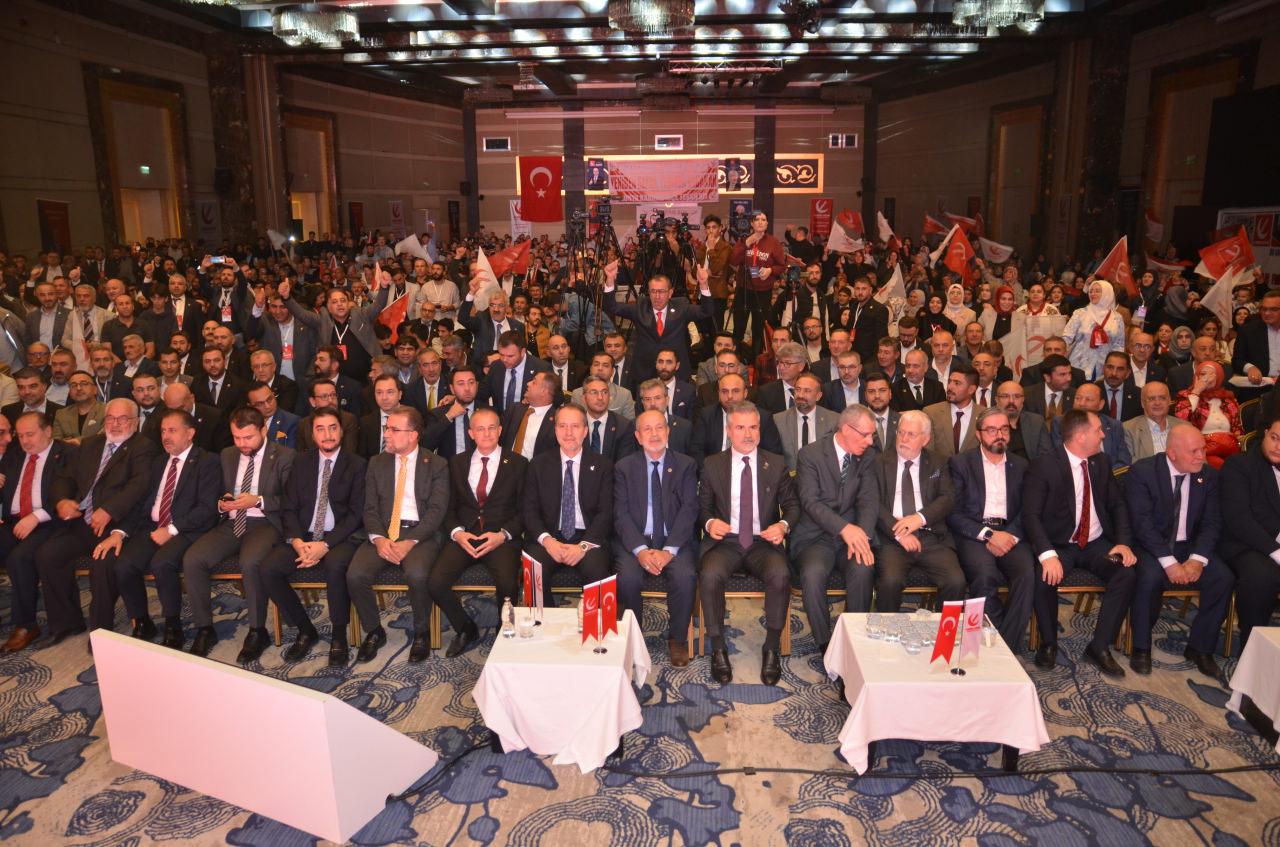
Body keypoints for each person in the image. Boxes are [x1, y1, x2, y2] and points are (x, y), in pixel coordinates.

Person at [1022, 409, 1136, 676]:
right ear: (1081, 436)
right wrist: (1047, 554)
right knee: (1044, 576)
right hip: (1059, 544)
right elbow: (1030, 516)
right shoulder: (1044, 466)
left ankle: (1099, 646)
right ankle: (1048, 643)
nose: (1103, 435)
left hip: (1096, 543)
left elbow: (1117, 505)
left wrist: (1122, 542)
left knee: (1126, 573)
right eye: (1098, 430)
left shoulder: (1101, 462)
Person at [96, 408, 222, 649]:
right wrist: (119, 532)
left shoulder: (208, 462)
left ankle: (173, 626)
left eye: (172, 431)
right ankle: (143, 622)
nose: (166, 436)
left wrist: (171, 529)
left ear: (190, 433)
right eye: (163, 431)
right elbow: (140, 504)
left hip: (187, 530)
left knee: (162, 563)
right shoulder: (158, 462)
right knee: (123, 565)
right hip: (152, 527)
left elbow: (206, 510)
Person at [36, 398, 155, 644]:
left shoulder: (143, 447)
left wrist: (109, 510)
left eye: (122, 419)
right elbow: (64, 478)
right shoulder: (90, 444)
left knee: (101, 564)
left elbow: (139, 486)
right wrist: (62, 501)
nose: (115, 424)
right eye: (110, 418)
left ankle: (101, 633)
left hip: (117, 524)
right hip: (83, 521)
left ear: (135, 422)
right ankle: (66, 621)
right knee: (48, 554)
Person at [182, 406, 295, 663]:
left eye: (248, 437)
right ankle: (204, 628)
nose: (242, 444)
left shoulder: (284, 456)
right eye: (237, 437)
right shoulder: (227, 454)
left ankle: (257, 630)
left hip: (264, 523)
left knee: (250, 562)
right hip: (231, 522)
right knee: (193, 559)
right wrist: (222, 501)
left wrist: (259, 500)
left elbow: (291, 499)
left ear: (263, 431)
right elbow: (218, 489)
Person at [698, 401, 798, 686]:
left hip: (761, 542)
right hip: (726, 542)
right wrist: (709, 523)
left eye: (753, 427)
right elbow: (702, 509)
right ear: (729, 430)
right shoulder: (712, 464)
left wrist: (782, 525)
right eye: (740, 427)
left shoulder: (775, 463)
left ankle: (771, 647)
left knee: (780, 574)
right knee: (709, 574)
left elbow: (793, 506)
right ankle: (718, 647)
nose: (748, 434)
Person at [1125, 426, 1232, 677]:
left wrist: (1197, 559)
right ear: (1172, 454)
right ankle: (1141, 646)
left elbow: (1212, 522)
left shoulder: (1207, 475)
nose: (1201, 456)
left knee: (1223, 578)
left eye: (1203, 449)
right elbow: (1142, 525)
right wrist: (1170, 562)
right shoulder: (1143, 472)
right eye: (1194, 451)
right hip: (1151, 546)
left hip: (1189, 546)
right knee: (1149, 577)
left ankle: (1200, 648)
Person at [346, 406, 449, 664]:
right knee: (355, 575)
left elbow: (436, 512)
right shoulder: (377, 462)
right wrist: (379, 539)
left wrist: (410, 541)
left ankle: (422, 632)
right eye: (386, 428)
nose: (386, 434)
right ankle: (374, 631)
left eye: (393, 430)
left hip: (420, 533)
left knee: (417, 574)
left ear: (413, 435)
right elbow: (369, 508)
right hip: (383, 530)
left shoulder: (436, 464)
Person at [429, 407, 526, 658]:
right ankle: (465, 627)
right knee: (435, 582)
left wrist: (503, 535)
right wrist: (457, 533)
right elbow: (448, 507)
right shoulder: (456, 463)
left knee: (508, 583)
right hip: (465, 536)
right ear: (471, 433)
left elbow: (525, 510)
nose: (486, 433)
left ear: (500, 431)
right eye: (480, 429)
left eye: (492, 428)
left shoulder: (518, 463)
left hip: (500, 538)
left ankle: (503, 630)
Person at [614, 410, 699, 665]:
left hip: (674, 540)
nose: (654, 434)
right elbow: (620, 514)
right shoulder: (624, 467)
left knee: (685, 576)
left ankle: (678, 639)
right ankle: (633, 637)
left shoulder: (685, 465)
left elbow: (689, 510)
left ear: (668, 432)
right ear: (638, 436)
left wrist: (669, 550)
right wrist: (640, 550)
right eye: (647, 429)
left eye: (659, 427)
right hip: (635, 540)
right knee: (627, 578)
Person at [946, 407, 1035, 652]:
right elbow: (953, 513)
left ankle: (1007, 647)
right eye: (992, 430)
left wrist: (1011, 535)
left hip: (1011, 532)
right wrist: (989, 535)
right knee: (984, 576)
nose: (1000, 435)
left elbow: (1028, 509)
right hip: (975, 534)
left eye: (1004, 429)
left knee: (1026, 574)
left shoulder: (1022, 465)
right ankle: (993, 638)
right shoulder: (961, 463)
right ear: (978, 434)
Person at [791, 404, 878, 651]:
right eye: (865, 434)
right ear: (847, 429)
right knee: (813, 574)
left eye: (872, 435)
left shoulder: (867, 456)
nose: (870, 441)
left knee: (863, 567)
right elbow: (810, 502)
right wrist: (844, 528)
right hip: (814, 537)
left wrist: (862, 536)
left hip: (852, 536)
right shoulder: (810, 454)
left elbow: (869, 501)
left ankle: (854, 640)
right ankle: (824, 643)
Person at [872, 410, 966, 612]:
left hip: (931, 537)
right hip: (891, 539)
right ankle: (885, 631)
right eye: (900, 432)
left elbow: (947, 498)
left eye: (911, 434)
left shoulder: (939, 462)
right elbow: (873, 503)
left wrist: (919, 518)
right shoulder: (878, 462)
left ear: (926, 439)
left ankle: (944, 631)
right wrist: (899, 532)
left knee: (956, 581)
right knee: (890, 581)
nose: (903, 439)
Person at [0, 411, 77, 652]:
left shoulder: (67, 454)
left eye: (30, 434)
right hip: (13, 521)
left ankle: (26, 625)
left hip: (48, 521)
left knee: (19, 559)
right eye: (20, 435)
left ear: (48, 431)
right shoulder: (13, 454)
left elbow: (72, 492)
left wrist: (36, 516)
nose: (24, 441)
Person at [522, 404, 613, 599]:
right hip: (549, 536)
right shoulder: (538, 464)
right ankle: (542, 619)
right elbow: (529, 511)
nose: (568, 433)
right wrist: (548, 541)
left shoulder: (603, 465)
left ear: (585, 431)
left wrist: (583, 546)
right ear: (555, 430)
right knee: (534, 569)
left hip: (588, 538)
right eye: (562, 426)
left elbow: (605, 513)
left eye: (575, 426)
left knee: (597, 572)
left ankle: (594, 620)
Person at [1220, 419, 1280, 648]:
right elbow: (1240, 521)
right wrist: (1276, 552)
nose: (1278, 447)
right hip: (1244, 544)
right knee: (1261, 576)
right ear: (1265, 434)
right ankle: (1251, 651)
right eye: (1274, 438)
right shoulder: (1239, 465)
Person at [600, 271, 714, 383]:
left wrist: (703, 284)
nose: (657, 296)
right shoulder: (641, 308)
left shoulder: (681, 307)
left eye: (661, 291)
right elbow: (611, 307)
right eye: (653, 291)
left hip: (676, 373)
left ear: (670, 293)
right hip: (645, 374)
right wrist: (610, 279)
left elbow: (706, 311)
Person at [280, 279, 389, 381]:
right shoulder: (322, 320)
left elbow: (378, 305)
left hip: (366, 378)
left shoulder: (361, 315)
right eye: (335, 302)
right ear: (329, 307)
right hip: (333, 381)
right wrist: (286, 298)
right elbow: (301, 314)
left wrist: (384, 287)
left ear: (348, 303)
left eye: (343, 300)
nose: (340, 304)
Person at [728, 210, 786, 355]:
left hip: (763, 291)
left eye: (763, 219)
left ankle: (756, 361)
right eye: (757, 219)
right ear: (752, 224)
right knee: (739, 327)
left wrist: (770, 270)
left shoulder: (773, 242)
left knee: (758, 329)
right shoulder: (744, 239)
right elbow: (733, 261)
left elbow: (781, 265)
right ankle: (735, 358)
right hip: (744, 289)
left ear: (767, 224)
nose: (760, 222)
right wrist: (746, 243)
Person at [1172, 360, 1241, 468]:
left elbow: (1237, 428)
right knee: (1219, 465)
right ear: (1196, 377)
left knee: (1238, 465)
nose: (1207, 378)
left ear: (1219, 377)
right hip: (1202, 449)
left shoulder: (1228, 399)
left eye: (1212, 374)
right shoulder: (1187, 396)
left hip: (1229, 448)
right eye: (1203, 374)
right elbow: (1181, 419)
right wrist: (1197, 391)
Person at [1050, 382, 1131, 467]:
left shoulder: (1114, 425)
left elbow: (1124, 460)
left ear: (1101, 404)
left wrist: (1106, 473)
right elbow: (1061, 457)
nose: (1081, 403)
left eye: (1088, 400)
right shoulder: (1060, 422)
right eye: (1078, 398)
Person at [774, 372, 839, 472]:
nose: (800, 395)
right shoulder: (779, 420)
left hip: (822, 476)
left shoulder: (833, 420)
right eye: (797, 390)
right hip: (790, 478)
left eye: (807, 391)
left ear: (818, 396)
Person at [483, 330, 550, 416]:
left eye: (510, 356)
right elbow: (482, 395)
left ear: (522, 352)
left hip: (528, 419)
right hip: (500, 419)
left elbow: (555, 399)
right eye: (501, 355)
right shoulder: (496, 366)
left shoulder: (542, 368)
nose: (504, 360)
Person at [921, 364, 979, 458]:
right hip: (940, 466)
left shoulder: (983, 415)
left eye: (957, 383)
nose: (950, 387)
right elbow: (927, 453)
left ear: (971, 389)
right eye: (949, 382)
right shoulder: (931, 412)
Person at [1123, 381, 1188, 461]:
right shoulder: (1128, 429)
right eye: (1151, 399)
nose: (1157, 403)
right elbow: (1129, 464)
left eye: (1162, 398)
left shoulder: (1186, 427)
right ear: (1143, 403)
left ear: (1169, 401)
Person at [1231, 289, 1280, 386]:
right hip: (1260, 386)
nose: (1267, 313)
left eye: (1273, 309)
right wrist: (1250, 368)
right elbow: (1237, 361)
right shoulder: (1248, 330)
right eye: (1264, 309)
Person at [1022, 353, 1076, 424]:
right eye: (1062, 374)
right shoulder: (1027, 395)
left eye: (1069, 373)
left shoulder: (1076, 396)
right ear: (1047, 377)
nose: (1069, 378)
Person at [246, 381, 299, 450]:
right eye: (260, 404)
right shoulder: (246, 423)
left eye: (269, 399)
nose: (267, 406)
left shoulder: (291, 421)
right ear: (250, 406)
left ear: (274, 395)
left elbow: (290, 453)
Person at [1097, 351, 1141, 422]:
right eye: (1110, 367)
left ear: (1128, 373)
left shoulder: (1138, 394)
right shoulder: (1092, 391)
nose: (1114, 373)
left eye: (1120, 369)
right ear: (1103, 368)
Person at [862, 372, 900, 453]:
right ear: (865, 396)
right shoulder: (856, 423)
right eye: (871, 391)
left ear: (890, 393)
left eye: (882, 390)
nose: (877, 396)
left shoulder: (902, 421)